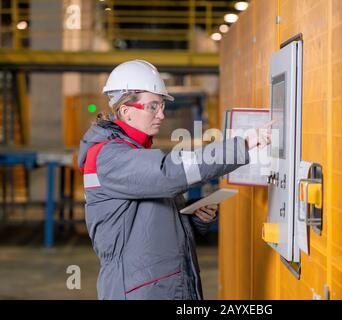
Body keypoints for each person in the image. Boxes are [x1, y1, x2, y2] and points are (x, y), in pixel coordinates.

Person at [78, 59, 272, 300]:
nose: (161, 114)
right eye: (152, 106)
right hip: (139, 291)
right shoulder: (109, 156)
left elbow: (152, 222)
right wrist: (240, 146)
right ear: (126, 111)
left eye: (161, 106)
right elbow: (170, 173)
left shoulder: (134, 153)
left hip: (162, 285)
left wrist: (197, 217)